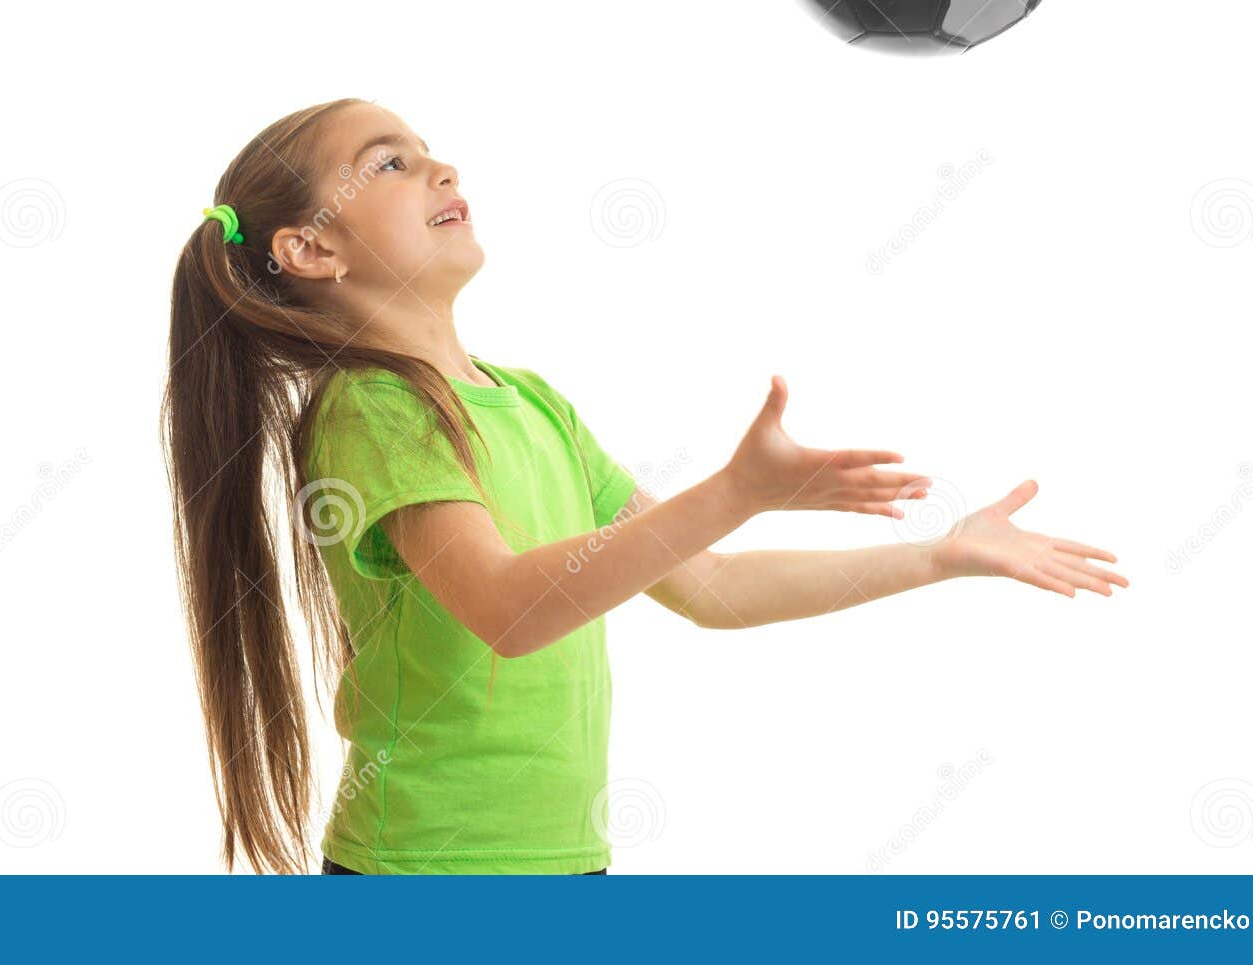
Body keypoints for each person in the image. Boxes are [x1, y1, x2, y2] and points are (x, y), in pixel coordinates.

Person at [159, 97, 1126, 876]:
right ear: (312, 248)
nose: (440, 169)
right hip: (427, 872)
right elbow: (508, 608)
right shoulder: (373, 410)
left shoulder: (532, 403)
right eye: (387, 163)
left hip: (566, 864)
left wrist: (940, 556)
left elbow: (711, 587)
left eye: (427, 150)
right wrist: (734, 489)